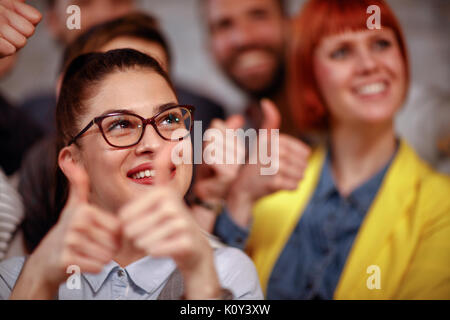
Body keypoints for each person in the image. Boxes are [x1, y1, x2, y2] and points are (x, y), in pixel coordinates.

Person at [211, 0, 450, 299]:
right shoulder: (273, 191)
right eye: (342, 52)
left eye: (381, 44)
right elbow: (208, 295)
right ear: (310, 77)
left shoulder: (442, 204)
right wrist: (239, 197)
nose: (369, 65)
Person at [0, 48, 263, 300]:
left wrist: (201, 283)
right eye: (121, 124)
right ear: (74, 162)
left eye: (169, 119)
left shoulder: (227, 274)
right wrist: (39, 278)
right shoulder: (15, 281)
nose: (152, 143)